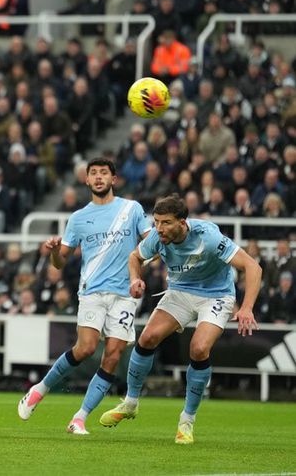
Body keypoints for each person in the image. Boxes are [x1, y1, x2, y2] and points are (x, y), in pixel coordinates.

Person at [100, 194, 261, 444]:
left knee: (198, 348)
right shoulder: (157, 238)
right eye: (156, 222)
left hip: (216, 295)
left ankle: (187, 421)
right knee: (148, 337)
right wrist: (135, 279)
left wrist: (247, 307)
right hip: (180, 291)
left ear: (182, 223)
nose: (159, 229)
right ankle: (130, 403)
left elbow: (253, 267)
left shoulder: (208, 237)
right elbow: (135, 258)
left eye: (165, 223)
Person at [17, 158, 150, 435]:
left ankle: (80, 417)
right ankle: (39, 390)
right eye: (93, 173)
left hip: (124, 295)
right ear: (86, 180)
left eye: (104, 173)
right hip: (92, 292)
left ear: (114, 179)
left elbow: (150, 243)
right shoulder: (77, 218)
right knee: (87, 347)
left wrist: (139, 275)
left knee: (113, 355)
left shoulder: (131, 209)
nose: (99, 177)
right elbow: (59, 263)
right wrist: (54, 250)